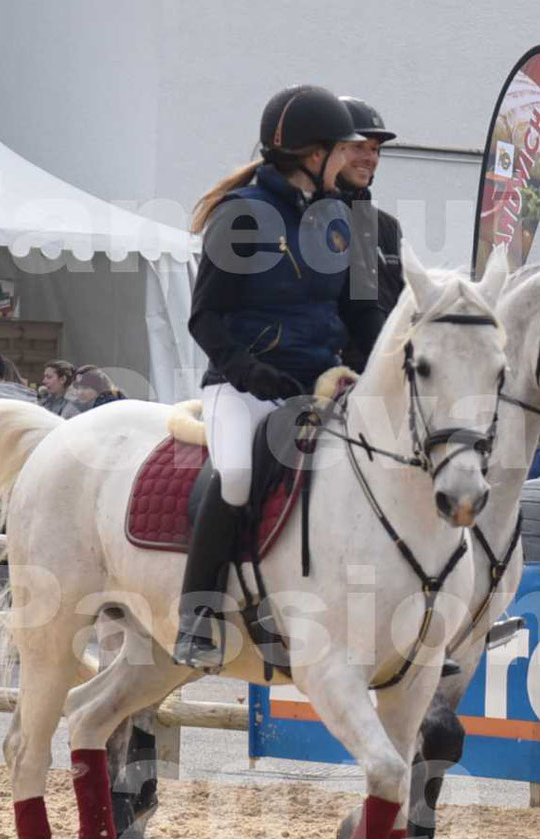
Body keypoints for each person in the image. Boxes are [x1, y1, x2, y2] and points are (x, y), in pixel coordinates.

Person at [173, 83, 375, 668]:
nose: (352, 159)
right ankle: (199, 612)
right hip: (242, 385)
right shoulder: (243, 216)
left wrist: (376, 364)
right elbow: (204, 318)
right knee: (237, 474)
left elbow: (359, 313)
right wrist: (252, 373)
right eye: (343, 149)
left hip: (319, 384)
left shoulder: (341, 218)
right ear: (313, 155)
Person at [336, 96, 403, 372]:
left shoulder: (386, 226)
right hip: (332, 375)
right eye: (359, 147)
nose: (369, 157)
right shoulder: (313, 218)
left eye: (375, 149)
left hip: (384, 371)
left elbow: (401, 303)